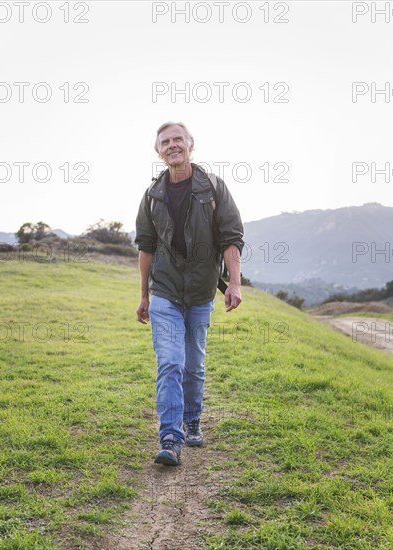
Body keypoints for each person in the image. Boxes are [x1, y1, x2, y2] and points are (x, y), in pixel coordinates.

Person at [135, 121, 244, 466]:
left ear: (190, 144)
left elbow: (230, 237)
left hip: (200, 291)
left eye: (177, 139)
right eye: (165, 142)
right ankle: (170, 436)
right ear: (159, 151)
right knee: (170, 362)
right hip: (165, 291)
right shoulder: (152, 196)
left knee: (193, 365)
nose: (172, 145)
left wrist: (236, 284)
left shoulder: (212, 187)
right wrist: (143, 295)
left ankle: (193, 418)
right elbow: (146, 247)